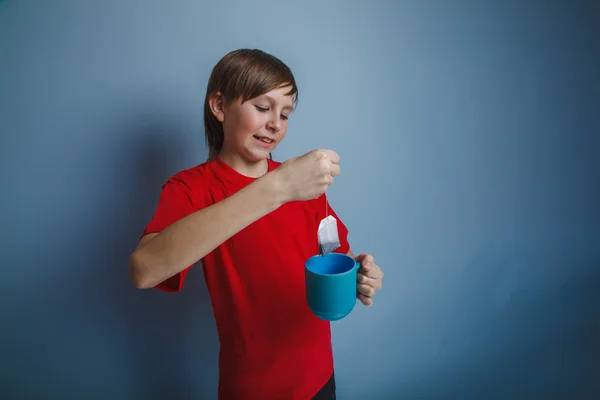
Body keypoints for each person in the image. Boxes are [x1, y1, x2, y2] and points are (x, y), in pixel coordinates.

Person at [128, 48, 384, 400]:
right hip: (252, 390)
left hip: (320, 379)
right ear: (219, 106)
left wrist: (360, 273)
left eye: (285, 113)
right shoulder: (191, 189)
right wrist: (278, 188)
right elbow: (144, 270)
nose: (275, 123)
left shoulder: (303, 185)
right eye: (262, 108)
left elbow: (336, 254)